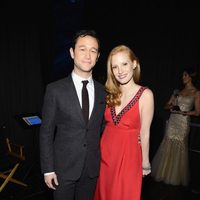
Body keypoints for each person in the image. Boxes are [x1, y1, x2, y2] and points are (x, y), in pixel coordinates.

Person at [39, 29, 106, 200]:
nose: (88, 55)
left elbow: (104, 128)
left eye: (93, 50)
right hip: (63, 169)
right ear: (72, 52)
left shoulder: (103, 92)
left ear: (98, 56)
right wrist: (48, 169)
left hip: (91, 169)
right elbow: (46, 132)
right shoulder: (55, 90)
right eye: (82, 49)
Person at [94, 45, 154, 200]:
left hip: (128, 158)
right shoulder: (109, 94)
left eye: (124, 64)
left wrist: (145, 162)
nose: (120, 71)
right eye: (115, 66)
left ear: (134, 64)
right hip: (105, 157)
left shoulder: (145, 94)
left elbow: (145, 132)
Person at [151, 67, 200, 186]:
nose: (183, 78)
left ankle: (175, 177)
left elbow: (197, 112)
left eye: (185, 75)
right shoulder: (177, 91)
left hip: (183, 123)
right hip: (173, 121)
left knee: (179, 147)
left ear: (191, 77)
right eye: (182, 75)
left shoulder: (196, 93)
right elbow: (166, 106)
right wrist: (172, 107)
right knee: (167, 144)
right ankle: (163, 173)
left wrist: (185, 113)